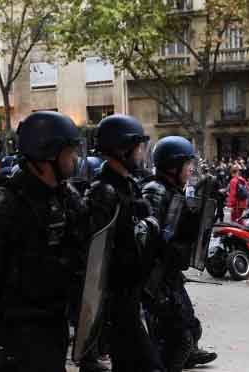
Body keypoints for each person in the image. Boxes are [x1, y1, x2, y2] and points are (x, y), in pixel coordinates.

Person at [0, 112, 84, 372]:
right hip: (18, 332)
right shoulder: (5, 202)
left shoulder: (65, 196)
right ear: (48, 155)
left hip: (53, 323)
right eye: (69, 152)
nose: (75, 158)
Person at [86, 114, 162, 372]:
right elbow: (99, 254)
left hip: (132, 295)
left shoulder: (129, 185)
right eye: (138, 148)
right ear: (121, 150)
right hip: (115, 300)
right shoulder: (103, 191)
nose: (141, 154)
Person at [140, 136, 217, 372]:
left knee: (189, 328)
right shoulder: (155, 191)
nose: (191, 169)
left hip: (170, 274)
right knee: (175, 338)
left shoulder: (174, 189)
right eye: (187, 164)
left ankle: (187, 355)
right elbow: (150, 237)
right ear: (173, 167)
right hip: (156, 278)